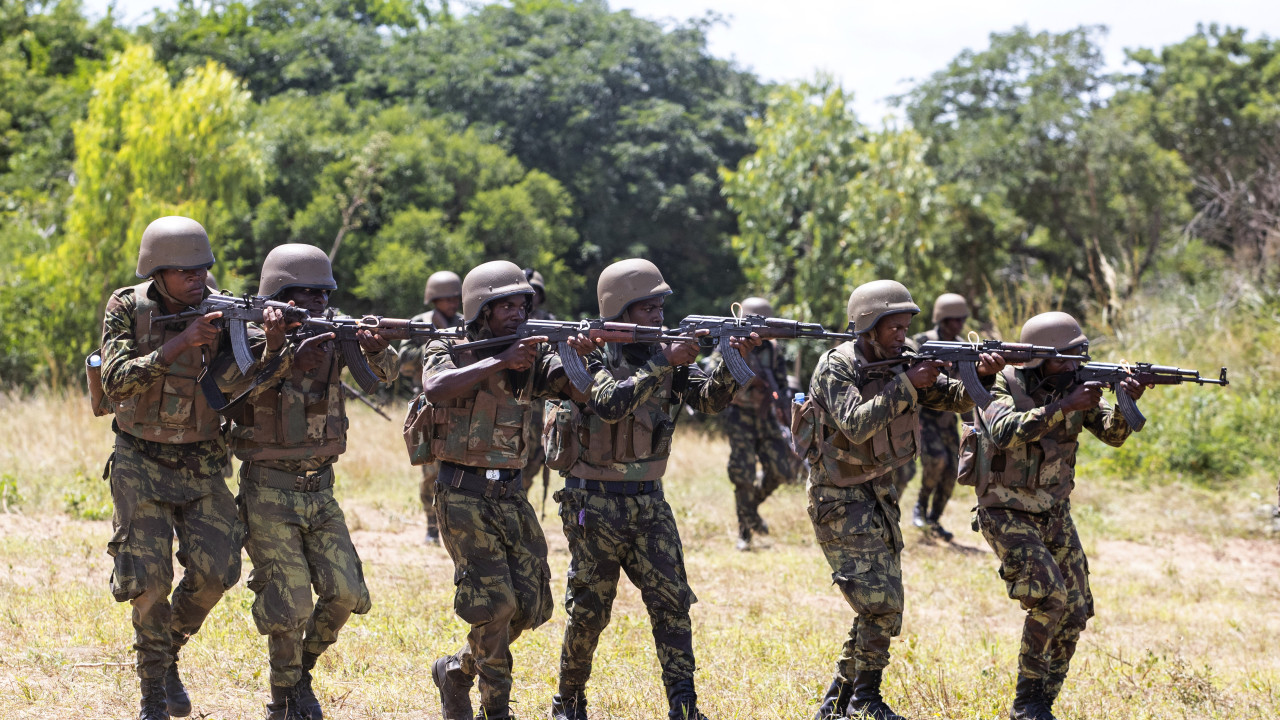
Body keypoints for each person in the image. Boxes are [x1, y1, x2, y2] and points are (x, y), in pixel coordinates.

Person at [547, 259, 758, 720]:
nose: (658, 316)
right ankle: (568, 702)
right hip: (593, 501)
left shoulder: (667, 355)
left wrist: (733, 357)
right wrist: (666, 361)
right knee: (589, 610)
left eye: (661, 307)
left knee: (672, 602)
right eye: (647, 308)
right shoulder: (587, 352)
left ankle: (684, 705)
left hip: (649, 502)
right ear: (620, 310)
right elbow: (607, 404)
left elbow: (709, 400)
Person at [798, 280, 1003, 720]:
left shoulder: (901, 360)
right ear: (869, 327)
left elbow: (954, 400)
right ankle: (864, 701)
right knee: (881, 601)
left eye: (906, 326)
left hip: (879, 493)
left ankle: (838, 701)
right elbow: (854, 423)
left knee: (882, 603)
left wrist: (980, 375)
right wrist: (907, 383)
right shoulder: (836, 367)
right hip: (837, 496)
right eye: (894, 327)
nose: (902, 335)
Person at [216, 244, 397, 720]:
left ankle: (300, 674)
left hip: (321, 488)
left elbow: (386, 375)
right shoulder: (247, 335)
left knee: (346, 593)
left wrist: (375, 347)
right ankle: (283, 699)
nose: (318, 303)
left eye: (323, 294)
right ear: (278, 295)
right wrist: (280, 352)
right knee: (289, 604)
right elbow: (226, 387)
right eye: (306, 295)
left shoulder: (338, 334)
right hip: (268, 488)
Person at [419, 261, 590, 720]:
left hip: (511, 496)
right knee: (494, 607)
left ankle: (456, 670)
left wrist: (580, 354)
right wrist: (501, 360)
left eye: (523, 305)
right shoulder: (447, 345)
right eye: (506, 305)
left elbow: (576, 389)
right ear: (481, 310)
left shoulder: (530, 355)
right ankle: (496, 711)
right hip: (462, 496)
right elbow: (435, 387)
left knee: (531, 604)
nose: (517, 313)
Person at [98, 216, 245, 720]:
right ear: (158, 273)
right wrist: (181, 342)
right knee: (149, 580)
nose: (198, 279)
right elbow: (115, 379)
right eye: (185, 272)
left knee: (218, 571)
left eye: (203, 269)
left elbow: (249, 383)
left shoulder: (224, 310)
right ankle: (153, 693)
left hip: (203, 461)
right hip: (140, 458)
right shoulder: (128, 308)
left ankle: (168, 649)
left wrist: (268, 340)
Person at [966, 312, 1141, 720]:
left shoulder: (1077, 387)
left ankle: (1042, 702)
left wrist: (1128, 399)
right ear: (1038, 359)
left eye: (1076, 359)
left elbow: (1113, 434)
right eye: (1063, 360)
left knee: (1076, 609)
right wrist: (1064, 406)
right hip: (1006, 511)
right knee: (1049, 597)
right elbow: (1004, 431)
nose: (1072, 367)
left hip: (1054, 512)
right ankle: (1026, 701)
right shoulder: (1001, 382)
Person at [714, 296, 794, 551]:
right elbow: (712, 376)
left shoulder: (772, 351)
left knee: (783, 469)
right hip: (740, 417)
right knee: (744, 475)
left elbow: (781, 384)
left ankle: (750, 509)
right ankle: (745, 530)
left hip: (765, 415)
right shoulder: (730, 344)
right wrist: (750, 381)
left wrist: (781, 402)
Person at [398, 270, 464, 545]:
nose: (451, 303)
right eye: (445, 299)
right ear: (433, 299)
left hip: (459, 405)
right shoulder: (419, 324)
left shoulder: (465, 323)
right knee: (430, 473)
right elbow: (403, 363)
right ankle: (431, 526)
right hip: (429, 408)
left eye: (454, 298)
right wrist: (435, 345)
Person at [908, 292, 972, 541]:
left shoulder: (963, 346)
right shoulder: (923, 342)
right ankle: (920, 509)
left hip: (949, 419)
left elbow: (966, 386)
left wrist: (970, 423)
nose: (958, 324)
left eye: (961, 319)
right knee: (935, 461)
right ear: (942, 319)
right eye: (953, 319)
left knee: (953, 470)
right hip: (926, 417)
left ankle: (933, 520)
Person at [521, 267, 556, 499]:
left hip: (538, 407)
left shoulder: (550, 322)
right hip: (512, 400)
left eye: (535, 293)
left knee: (534, 458)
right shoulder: (504, 323)